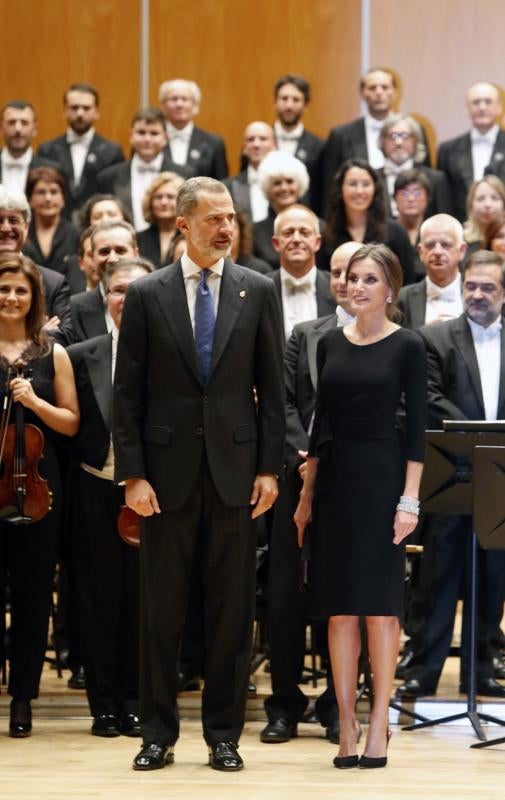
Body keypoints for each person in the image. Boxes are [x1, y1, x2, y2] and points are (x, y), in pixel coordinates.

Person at [113, 176, 285, 772]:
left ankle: (224, 735)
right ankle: (156, 732)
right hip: (164, 476)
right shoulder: (146, 294)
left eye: (231, 218)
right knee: (160, 611)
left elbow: (274, 388)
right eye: (214, 219)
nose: (226, 228)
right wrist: (132, 475)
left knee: (232, 613)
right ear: (182, 224)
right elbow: (126, 396)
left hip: (237, 474)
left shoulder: (258, 289)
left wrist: (269, 468)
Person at [294, 243, 426, 768]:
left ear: (390, 289)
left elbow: (416, 429)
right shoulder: (328, 342)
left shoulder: (408, 346)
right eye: (352, 277)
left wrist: (409, 499)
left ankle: (379, 724)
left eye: (369, 279)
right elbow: (318, 423)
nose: (357, 286)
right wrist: (306, 497)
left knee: (380, 609)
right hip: (334, 484)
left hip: (383, 481)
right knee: (339, 609)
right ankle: (345, 722)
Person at [261, 241, 360, 747]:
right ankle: (283, 704)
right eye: (338, 272)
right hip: (298, 478)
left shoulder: (386, 337)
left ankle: (336, 705)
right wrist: (306, 458)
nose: (344, 280)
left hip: (353, 484)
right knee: (283, 596)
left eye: (355, 272)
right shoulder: (304, 334)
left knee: (342, 596)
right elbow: (282, 403)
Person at [396, 250, 505, 699]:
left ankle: (481, 668)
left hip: (501, 478)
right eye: (471, 287)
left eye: (489, 287)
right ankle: (424, 669)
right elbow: (431, 400)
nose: (477, 294)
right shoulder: (434, 338)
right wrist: (482, 437)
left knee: (494, 576)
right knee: (439, 574)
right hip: (453, 472)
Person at [67, 257, 152, 737]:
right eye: (119, 290)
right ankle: (103, 706)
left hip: (152, 497)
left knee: (144, 605)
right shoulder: (83, 354)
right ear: (105, 298)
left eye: (137, 290)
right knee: (99, 603)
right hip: (94, 492)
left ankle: (136, 702)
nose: (128, 298)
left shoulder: (171, 357)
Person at [0, 252, 79, 738]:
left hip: (38, 492)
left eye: (20, 291)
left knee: (32, 597)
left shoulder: (53, 353)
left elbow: (71, 422)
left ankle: (23, 697)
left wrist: (34, 402)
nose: (11, 297)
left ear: (34, 298)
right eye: (4, 289)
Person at [320, 68, 430, 213]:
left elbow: (426, 178)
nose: (378, 92)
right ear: (362, 93)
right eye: (372, 88)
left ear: (395, 92)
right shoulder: (340, 136)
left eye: (384, 87)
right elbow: (329, 188)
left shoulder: (416, 130)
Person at [0, 185, 73, 345]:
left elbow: (65, 337)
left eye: (13, 220)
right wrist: (36, 332)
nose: (5, 228)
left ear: (26, 227)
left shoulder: (53, 282)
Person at [97, 108, 191, 233]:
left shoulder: (186, 174)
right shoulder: (108, 177)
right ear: (131, 136)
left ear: (165, 138)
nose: (147, 139)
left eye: (154, 133)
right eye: (141, 132)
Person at [38, 83, 124, 217]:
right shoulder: (47, 150)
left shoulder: (112, 151)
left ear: (97, 112)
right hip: (57, 225)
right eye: (74, 107)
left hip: (97, 223)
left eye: (86, 108)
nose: (80, 113)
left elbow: (115, 196)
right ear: (65, 111)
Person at [325, 158, 415, 284]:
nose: (359, 191)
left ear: (375, 189)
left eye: (366, 184)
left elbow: (408, 282)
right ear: (340, 189)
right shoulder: (326, 233)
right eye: (352, 184)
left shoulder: (396, 232)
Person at [437, 82, 505, 222]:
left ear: (499, 108)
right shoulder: (447, 150)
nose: (482, 107)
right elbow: (443, 199)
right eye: (476, 102)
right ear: (467, 109)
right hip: (462, 230)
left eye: (488, 102)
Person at [268, 205, 336, 341]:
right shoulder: (260, 290)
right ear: (276, 243)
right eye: (288, 233)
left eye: (304, 233)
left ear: (317, 242)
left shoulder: (336, 288)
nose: (297, 239)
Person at [70, 220, 138, 341]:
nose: (112, 259)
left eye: (120, 250)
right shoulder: (74, 308)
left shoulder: (156, 299)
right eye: (104, 252)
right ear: (93, 257)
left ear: (136, 254)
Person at [398, 214, 467, 330]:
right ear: (420, 252)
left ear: (462, 250)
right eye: (430, 245)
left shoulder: (477, 295)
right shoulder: (402, 299)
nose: (438, 252)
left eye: (446, 245)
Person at [377, 114, 452, 218]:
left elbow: (445, 220)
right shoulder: (372, 178)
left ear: (416, 141)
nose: (398, 142)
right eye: (393, 137)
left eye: (404, 136)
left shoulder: (436, 179)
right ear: (382, 142)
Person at [159, 79, 228, 179]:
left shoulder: (214, 143)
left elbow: (221, 185)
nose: (179, 104)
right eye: (174, 99)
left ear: (195, 105)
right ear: (163, 105)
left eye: (185, 99)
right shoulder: (149, 139)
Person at [253, 150, 312, 268]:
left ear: (299, 184)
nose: (284, 188)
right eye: (277, 183)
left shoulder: (318, 226)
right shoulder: (254, 232)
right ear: (267, 188)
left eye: (290, 181)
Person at [273, 74, 324, 209]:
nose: (289, 105)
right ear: (275, 102)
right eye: (284, 98)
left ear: (305, 105)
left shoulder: (319, 146)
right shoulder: (260, 142)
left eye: (295, 100)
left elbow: (321, 191)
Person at [23, 167, 79, 273]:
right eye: (41, 192)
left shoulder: (75, 234)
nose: (48, 198)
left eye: (54, 192)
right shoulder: (21, 232)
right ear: (30, 199)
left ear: (63, 199)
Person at [0, 100, 59, 194]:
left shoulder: (53, 170)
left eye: (24, 123)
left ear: (35, 129)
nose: (18, 129)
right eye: (11, 122)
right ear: (1, 128)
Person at [225, 121, 276, 222]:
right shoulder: (227, 186)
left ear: (274, 145)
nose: (256, 144)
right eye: (251, 139)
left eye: (263, 139)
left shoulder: (288, 185)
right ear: (244, 148)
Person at [137, 171, 185, 268]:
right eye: (159, 197)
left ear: (182, 202)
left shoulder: (190, 237)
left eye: (170, 197)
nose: (163, 202)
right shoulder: (137, 238)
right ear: (150, 202)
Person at [463, 175, 505, 252]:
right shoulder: (461, 241)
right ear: (471, 205)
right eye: (481, 198)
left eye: (494, 198)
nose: (487, 205)